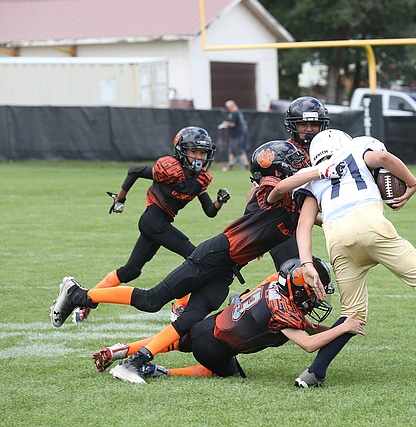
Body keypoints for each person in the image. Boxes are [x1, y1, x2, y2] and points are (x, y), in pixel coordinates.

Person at [49, 140, 328, 381]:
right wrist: (318, 171)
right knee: (152, 300)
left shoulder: (294, 203)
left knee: (191, 320)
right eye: (293, 164)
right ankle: (78, 294)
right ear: (275, 168)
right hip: (216, 254)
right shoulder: (272, 189)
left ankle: (135, 361)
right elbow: (280, 191)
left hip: (229, 269)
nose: (299, 166)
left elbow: (318, 217)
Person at [270, 129, 416, 388]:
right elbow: (384, 158)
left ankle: (313, 374)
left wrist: (307, 263)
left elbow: (303, 226)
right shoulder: (356, 149)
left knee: (352, 314)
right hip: (371, 224)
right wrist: (412, 183)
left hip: (337, 240)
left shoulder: (311, 178)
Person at [94, 258, 365, 384]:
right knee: (224, 373)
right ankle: (159, 371)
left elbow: (310, 327)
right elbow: (308, 343)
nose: (318, 298)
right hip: (213, 347)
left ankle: (120, 350)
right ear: (299, 288)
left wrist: (339, 331)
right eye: (315, 291)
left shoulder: (275, 288)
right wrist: (343, 327)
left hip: (208, 325)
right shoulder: (283, 310)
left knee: (174, 342)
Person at [73, 126, 231, 324]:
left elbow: (209, 211)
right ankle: (180, 305)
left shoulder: (200, 179)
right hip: (152, 220)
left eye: (202, 152)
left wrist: (219, 202)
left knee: (131, 271)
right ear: (181, 150)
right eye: (194, 151)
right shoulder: (170, 170)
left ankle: (84, 300)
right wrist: (120, 198)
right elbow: (135, 171)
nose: (199, 157)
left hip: (161, 223)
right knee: (197, 257)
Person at [267, 96, 330, 270]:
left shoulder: (329, 149)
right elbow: (260, 192)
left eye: (314, 125)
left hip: (303, 219)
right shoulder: (282, 152)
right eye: (303, 124)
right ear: (293, 125)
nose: (309, 130)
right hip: (280, 223)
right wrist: (252, 228)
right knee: (295, 276)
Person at [218, 100, 250, 172]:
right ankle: (231, 164)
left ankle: (246, 165)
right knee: (231, 150)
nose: (228, 109)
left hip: (237, 135)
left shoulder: (235, 113)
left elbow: (233, 124)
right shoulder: (237, 113)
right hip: (236, 135)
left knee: (238, 150)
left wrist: (226, 123)